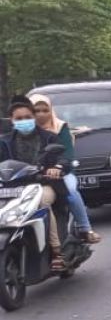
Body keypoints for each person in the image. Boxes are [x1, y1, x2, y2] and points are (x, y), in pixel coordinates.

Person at [0, 96, 69, 269]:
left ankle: (56, 251)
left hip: (43, 184)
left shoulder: (49, 138)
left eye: (28, 117)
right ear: (12, 120)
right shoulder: (4, 142)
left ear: (34, 117)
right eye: (19, 119)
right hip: (13, 188)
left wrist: (57, 168)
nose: (24, 121)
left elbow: (63, 159)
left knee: (42, 202)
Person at [30, 94, 101, 244]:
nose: (41, 114)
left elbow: (66, 154)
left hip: (61, 172)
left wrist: (58, 167)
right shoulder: (21, 133)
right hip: (31, 174)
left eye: (45, 110)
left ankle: (85, 228)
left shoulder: (60, 127)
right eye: (36, 110)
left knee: (70, 192)